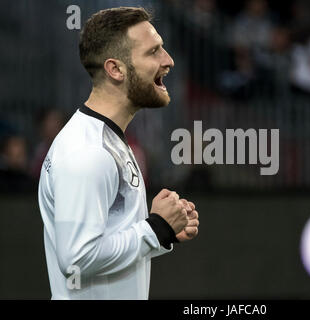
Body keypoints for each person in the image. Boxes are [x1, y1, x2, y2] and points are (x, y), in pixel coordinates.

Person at [38, 7, 199, 300]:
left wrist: (163, 228)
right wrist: (156, 228)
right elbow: (76, 260)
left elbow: (106, 244)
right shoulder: (87, 152)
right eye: (154, 52)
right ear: (115, 69)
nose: (168, 60)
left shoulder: (105, 138)